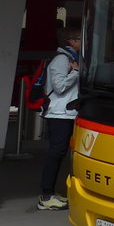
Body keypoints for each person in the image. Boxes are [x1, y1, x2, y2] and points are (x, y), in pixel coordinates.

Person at [37, 27, 82, 211]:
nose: (82, 42)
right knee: (56, 154)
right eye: (79, 39)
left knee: (58, 153)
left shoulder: (68, 59)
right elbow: (60, 86)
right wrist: (76, 72)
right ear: (71, 41)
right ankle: (46, 196)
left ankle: (49, 194)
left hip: (65, 113)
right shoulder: (62, 60)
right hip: (59, 114)